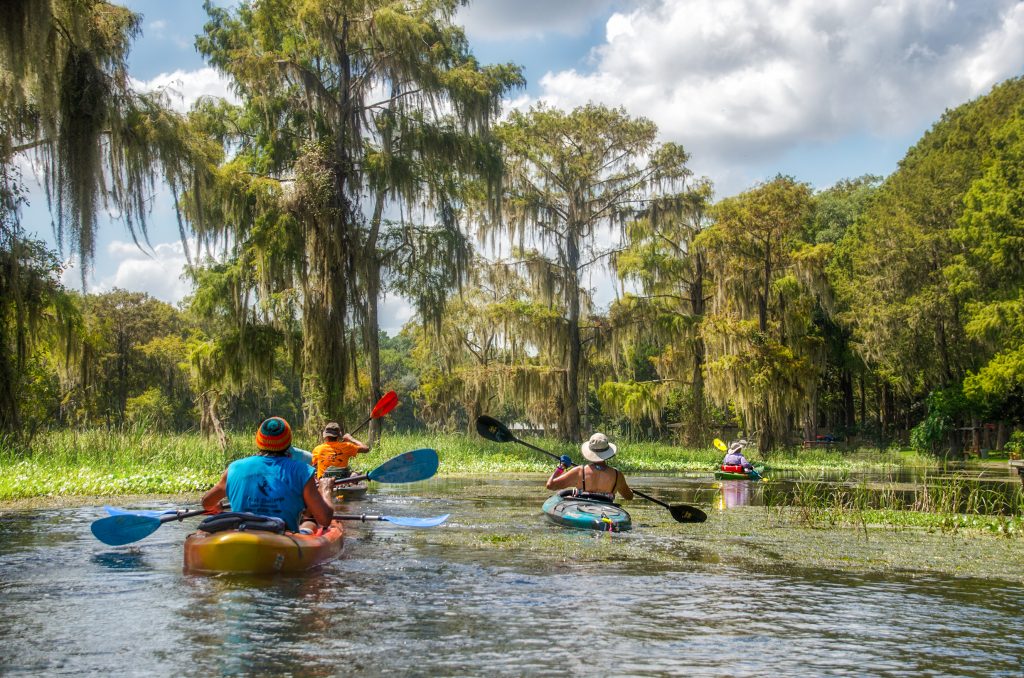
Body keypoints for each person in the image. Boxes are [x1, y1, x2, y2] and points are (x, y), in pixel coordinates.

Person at [201, 416, 334, 533]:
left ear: (259, 440)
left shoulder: (234, 467)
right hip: (282, 538)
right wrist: (326, 489)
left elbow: (206, 503)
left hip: (241, 533)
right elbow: (325, 519)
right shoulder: (303, 470)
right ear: (288, 442)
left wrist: (215, 506)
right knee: (310, 523)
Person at [545, 432, 633, 502]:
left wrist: (562, 467)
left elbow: (550, 485)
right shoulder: (618, 475)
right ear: (608, 452)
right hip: (606, 512)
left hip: (583, 511)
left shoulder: (579, 471)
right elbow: (629, 497)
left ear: (590, 451)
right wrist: (629, 490)